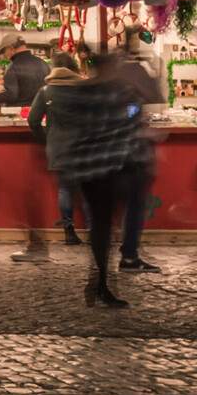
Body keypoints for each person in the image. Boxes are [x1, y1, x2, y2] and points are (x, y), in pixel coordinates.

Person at [51, 52, 147, 308]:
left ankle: (100, 278)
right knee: (108, 226)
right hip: (114, 167)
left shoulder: (81, 91)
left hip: (86, 169)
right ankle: (102, 282)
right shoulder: (121, 92)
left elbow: (66, 123)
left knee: (99, 225)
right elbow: (134, 120)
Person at [15, 52, 85, 262]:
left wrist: (46, 138)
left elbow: (33, 121)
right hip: (83, 146)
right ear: (73, 67)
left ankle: (69, 232)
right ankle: (96, 231)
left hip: (58, 147)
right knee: (87, 188)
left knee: (64, 188)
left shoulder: (46, 91)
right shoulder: (84, 89)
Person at [115, 29, 165, 273]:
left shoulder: (113, 71)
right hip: (130, 156)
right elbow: (134, 110)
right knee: (135, 204)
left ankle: (119, 255)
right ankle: (129, 256)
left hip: (106, 153)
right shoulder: (134, 74)